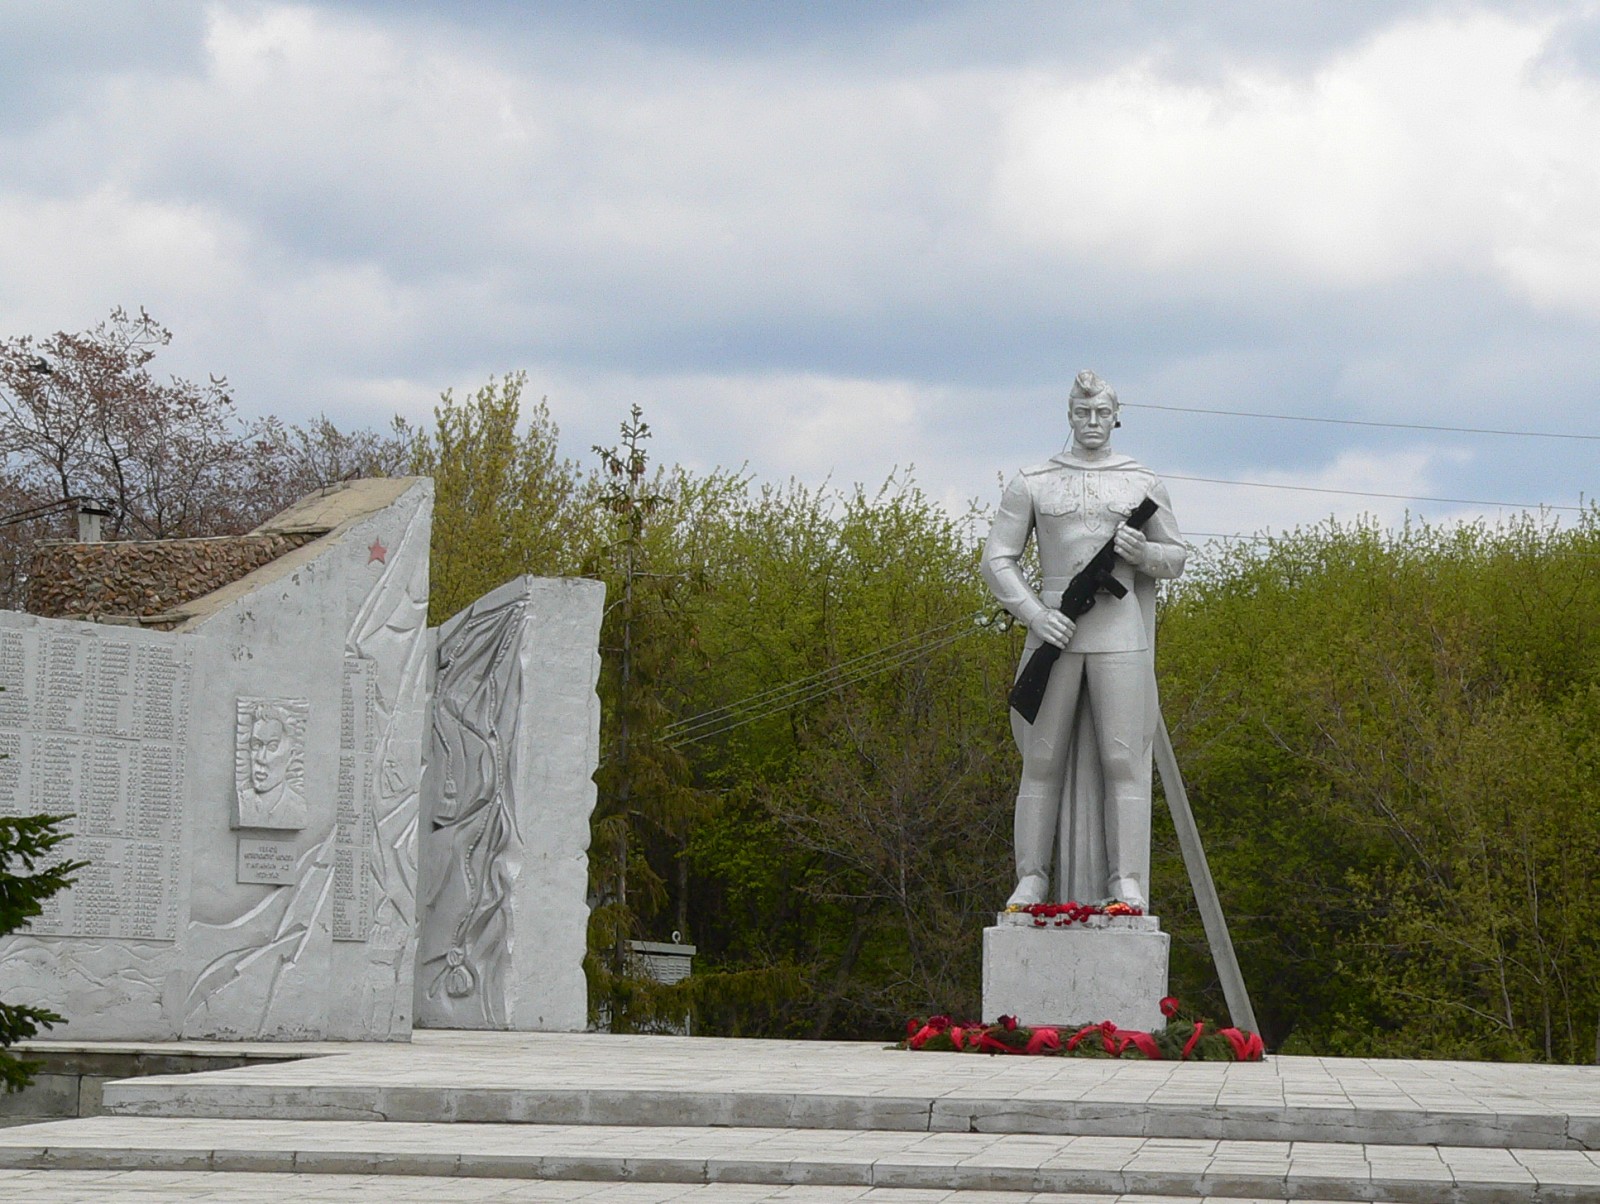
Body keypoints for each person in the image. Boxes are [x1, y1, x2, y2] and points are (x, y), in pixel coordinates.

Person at [981, 371, 1186, 910]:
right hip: (1055, 628)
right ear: (1068, 415)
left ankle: (1126, 881)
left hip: (1118, 631)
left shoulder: (1142, 481)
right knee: (1041, 760)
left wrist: (1143, 554)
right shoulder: (1033, 480)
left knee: (1124, 760)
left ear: (1115, 416)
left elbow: (1177, 558)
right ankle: (1031, 878)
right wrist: (1034, 613)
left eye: (1101, 413)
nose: (1092, 423)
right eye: (1081, 412)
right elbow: (997, 559)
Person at [238, 701, 308, 830]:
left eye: (272, 747)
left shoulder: (296, 808)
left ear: (290, 756)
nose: (261, 758)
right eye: (256, 745)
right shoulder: (241, 803)